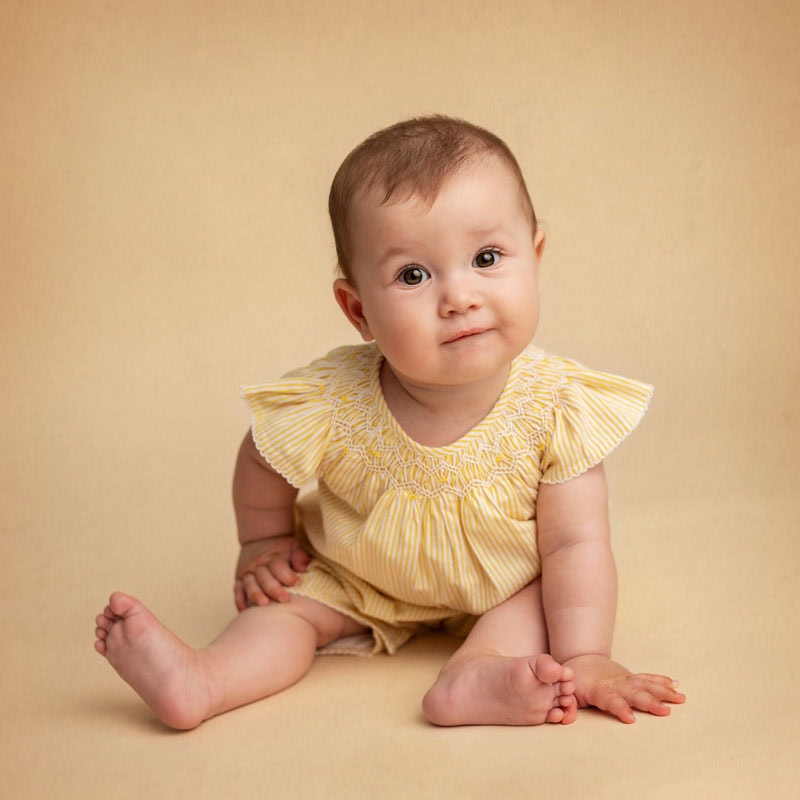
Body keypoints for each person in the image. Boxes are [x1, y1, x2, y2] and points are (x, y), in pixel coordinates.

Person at [94, 115, 685, 730]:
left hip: (502, 583)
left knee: (547, 595)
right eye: (413, 275)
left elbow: (574, 543)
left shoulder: (558, 405)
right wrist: (264, 542)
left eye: (486, 258)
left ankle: (473, 674)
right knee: (285, 610)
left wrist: (587, 656)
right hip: (358, 574)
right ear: (358, 310)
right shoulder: (332, 398)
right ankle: (203, 680)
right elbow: (261, 454)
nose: (459, 297)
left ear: (534, 257)